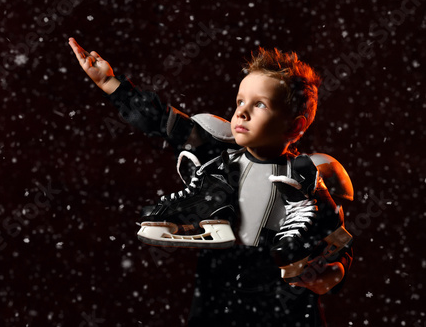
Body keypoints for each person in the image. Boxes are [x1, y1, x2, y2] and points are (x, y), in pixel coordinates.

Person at [69, 37, 354, 326]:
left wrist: (327, 277)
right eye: (240, 101)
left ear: (295, 125)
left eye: (260, 105)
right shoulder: (217, 153)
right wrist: (112, 84)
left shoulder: (308, 174)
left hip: (283, 304)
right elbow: (159, 121)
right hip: (218, 297)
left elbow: (339, 248)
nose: (241, 112)